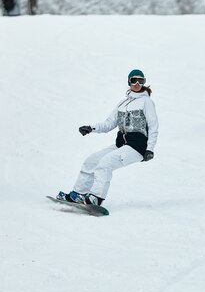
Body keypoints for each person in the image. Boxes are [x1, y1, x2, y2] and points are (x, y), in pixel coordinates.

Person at [56, 69, 159, 206]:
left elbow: (153, 126)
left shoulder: (146, 102)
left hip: (137, 146)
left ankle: (96, 198)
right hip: (121, 145)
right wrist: (91, 128)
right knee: (91, 161)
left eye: (141, 81)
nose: (137, 83)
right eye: (134, 80)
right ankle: (78, 193)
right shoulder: (122, 103)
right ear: (129, 82)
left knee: (105, 163)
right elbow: (109, 123)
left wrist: (150, 149)